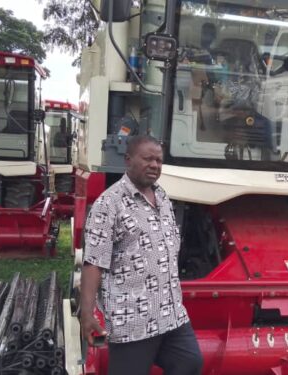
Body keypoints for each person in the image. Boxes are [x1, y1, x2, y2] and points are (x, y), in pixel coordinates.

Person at [79, 135, 203, 375]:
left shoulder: (163, 197)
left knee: (189, 362)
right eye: (147, 159)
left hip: (171, 315)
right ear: (128, 160)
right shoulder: (109, 204)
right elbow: (93, 262)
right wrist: (86, 313)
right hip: (133, 320)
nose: (154, 165)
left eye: (158, 160)